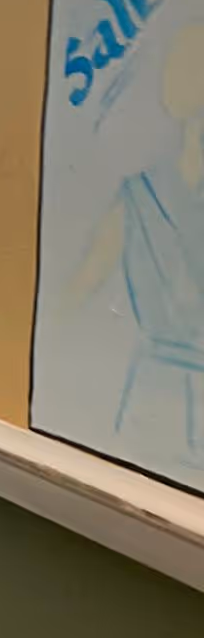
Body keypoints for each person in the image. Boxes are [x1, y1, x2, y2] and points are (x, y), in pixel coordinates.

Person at [74, 23, 204, 463]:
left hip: (154, 396)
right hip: (155, 398)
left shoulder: (141, 189)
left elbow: (83, 281)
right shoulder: (140, 191)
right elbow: (83, 282)